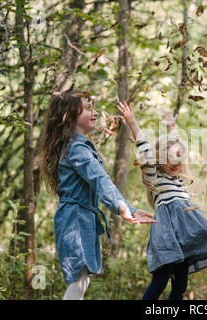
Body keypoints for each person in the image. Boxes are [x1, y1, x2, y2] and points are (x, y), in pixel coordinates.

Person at [39, 88, 156, 300]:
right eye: (87, 108)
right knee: (79, 280)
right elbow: (99, 179)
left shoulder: (80, 145)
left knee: (82, 279)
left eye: (93, 106)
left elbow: (99, 180)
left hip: (82, 217)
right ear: (68, 117)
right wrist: (122, 207)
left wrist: (129, 208)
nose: (94, 112)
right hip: (74, 219)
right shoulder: (76, 148)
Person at [116, 101, 207, 300]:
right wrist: (132, 122)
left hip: (184, 238)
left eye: (179, 160)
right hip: (166, 236)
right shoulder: (155, 178)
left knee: (180, 284)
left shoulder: (179, 180)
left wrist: (172, 128)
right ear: (159, 157)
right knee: (160, 281)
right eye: (170, 159)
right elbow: (146, 148)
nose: (176, 163)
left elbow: (176, 147)